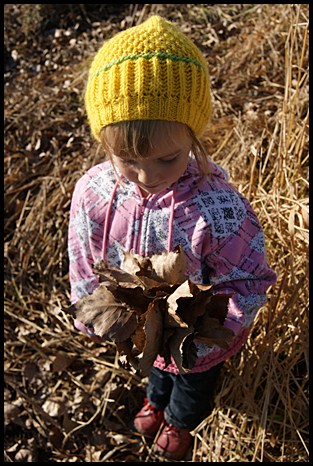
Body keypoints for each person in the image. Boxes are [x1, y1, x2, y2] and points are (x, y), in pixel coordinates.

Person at [68, 15, 277, 460]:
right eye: (128, 159)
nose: (148, 177)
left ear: (193, 137)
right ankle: (154, 400)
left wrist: (212, 332)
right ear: (104, 143)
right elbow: (84, 255)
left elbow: (249, 278)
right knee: (155, 373)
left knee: (192, 383)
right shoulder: (93, 192)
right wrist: (90, 308)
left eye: (168, 159)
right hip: (140, 334)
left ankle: (180, 422)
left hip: (195, 342)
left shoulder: (218, 209)